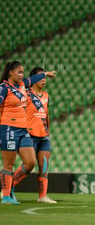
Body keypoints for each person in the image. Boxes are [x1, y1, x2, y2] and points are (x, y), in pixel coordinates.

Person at [0, 61, 55, 205]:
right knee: (8, 165)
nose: (22, 75)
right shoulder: (4, 87)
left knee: (30, 163)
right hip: (8, 128)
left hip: (23, 130)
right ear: (10, 72)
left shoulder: (22, 85)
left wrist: (45, 74)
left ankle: (11, 188)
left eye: (23, 72)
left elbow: (32, 80)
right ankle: (6, 196)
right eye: (19, 72)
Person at [22, 67, 56, 203]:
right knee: (28, 165)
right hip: (30, 134)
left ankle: (42, 196)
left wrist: (47, 130)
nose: (44, 80)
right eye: (41, 77)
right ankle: (8, 189)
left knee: (44, 166)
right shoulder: (26, 94)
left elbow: (46, 114)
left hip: (44, 136)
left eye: (45, 78)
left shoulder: (46, 95)